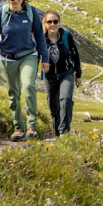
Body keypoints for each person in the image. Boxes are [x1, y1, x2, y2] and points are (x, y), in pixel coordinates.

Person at [0, 0, 48, 140]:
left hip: (28, 56)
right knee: (13, 93)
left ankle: (31, 126)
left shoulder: (31, 12)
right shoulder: (0, 14)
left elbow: (40, 36)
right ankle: (18, 129)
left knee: (28, 86)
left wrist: (45, 59)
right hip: (7, 59)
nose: (15, 1)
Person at [42, 9, 82, 137]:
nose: (52, 24)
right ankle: (57, 133)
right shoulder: (41, 39)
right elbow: (35, 57)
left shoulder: (66, 36)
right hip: (49, 76)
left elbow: (75, 55)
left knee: (65, 99)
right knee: (53, 105)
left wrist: (78, 75)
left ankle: (64, 131)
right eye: (49, 21)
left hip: (66, 73)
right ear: (45, 23)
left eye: (55, 21)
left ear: (59, 23)